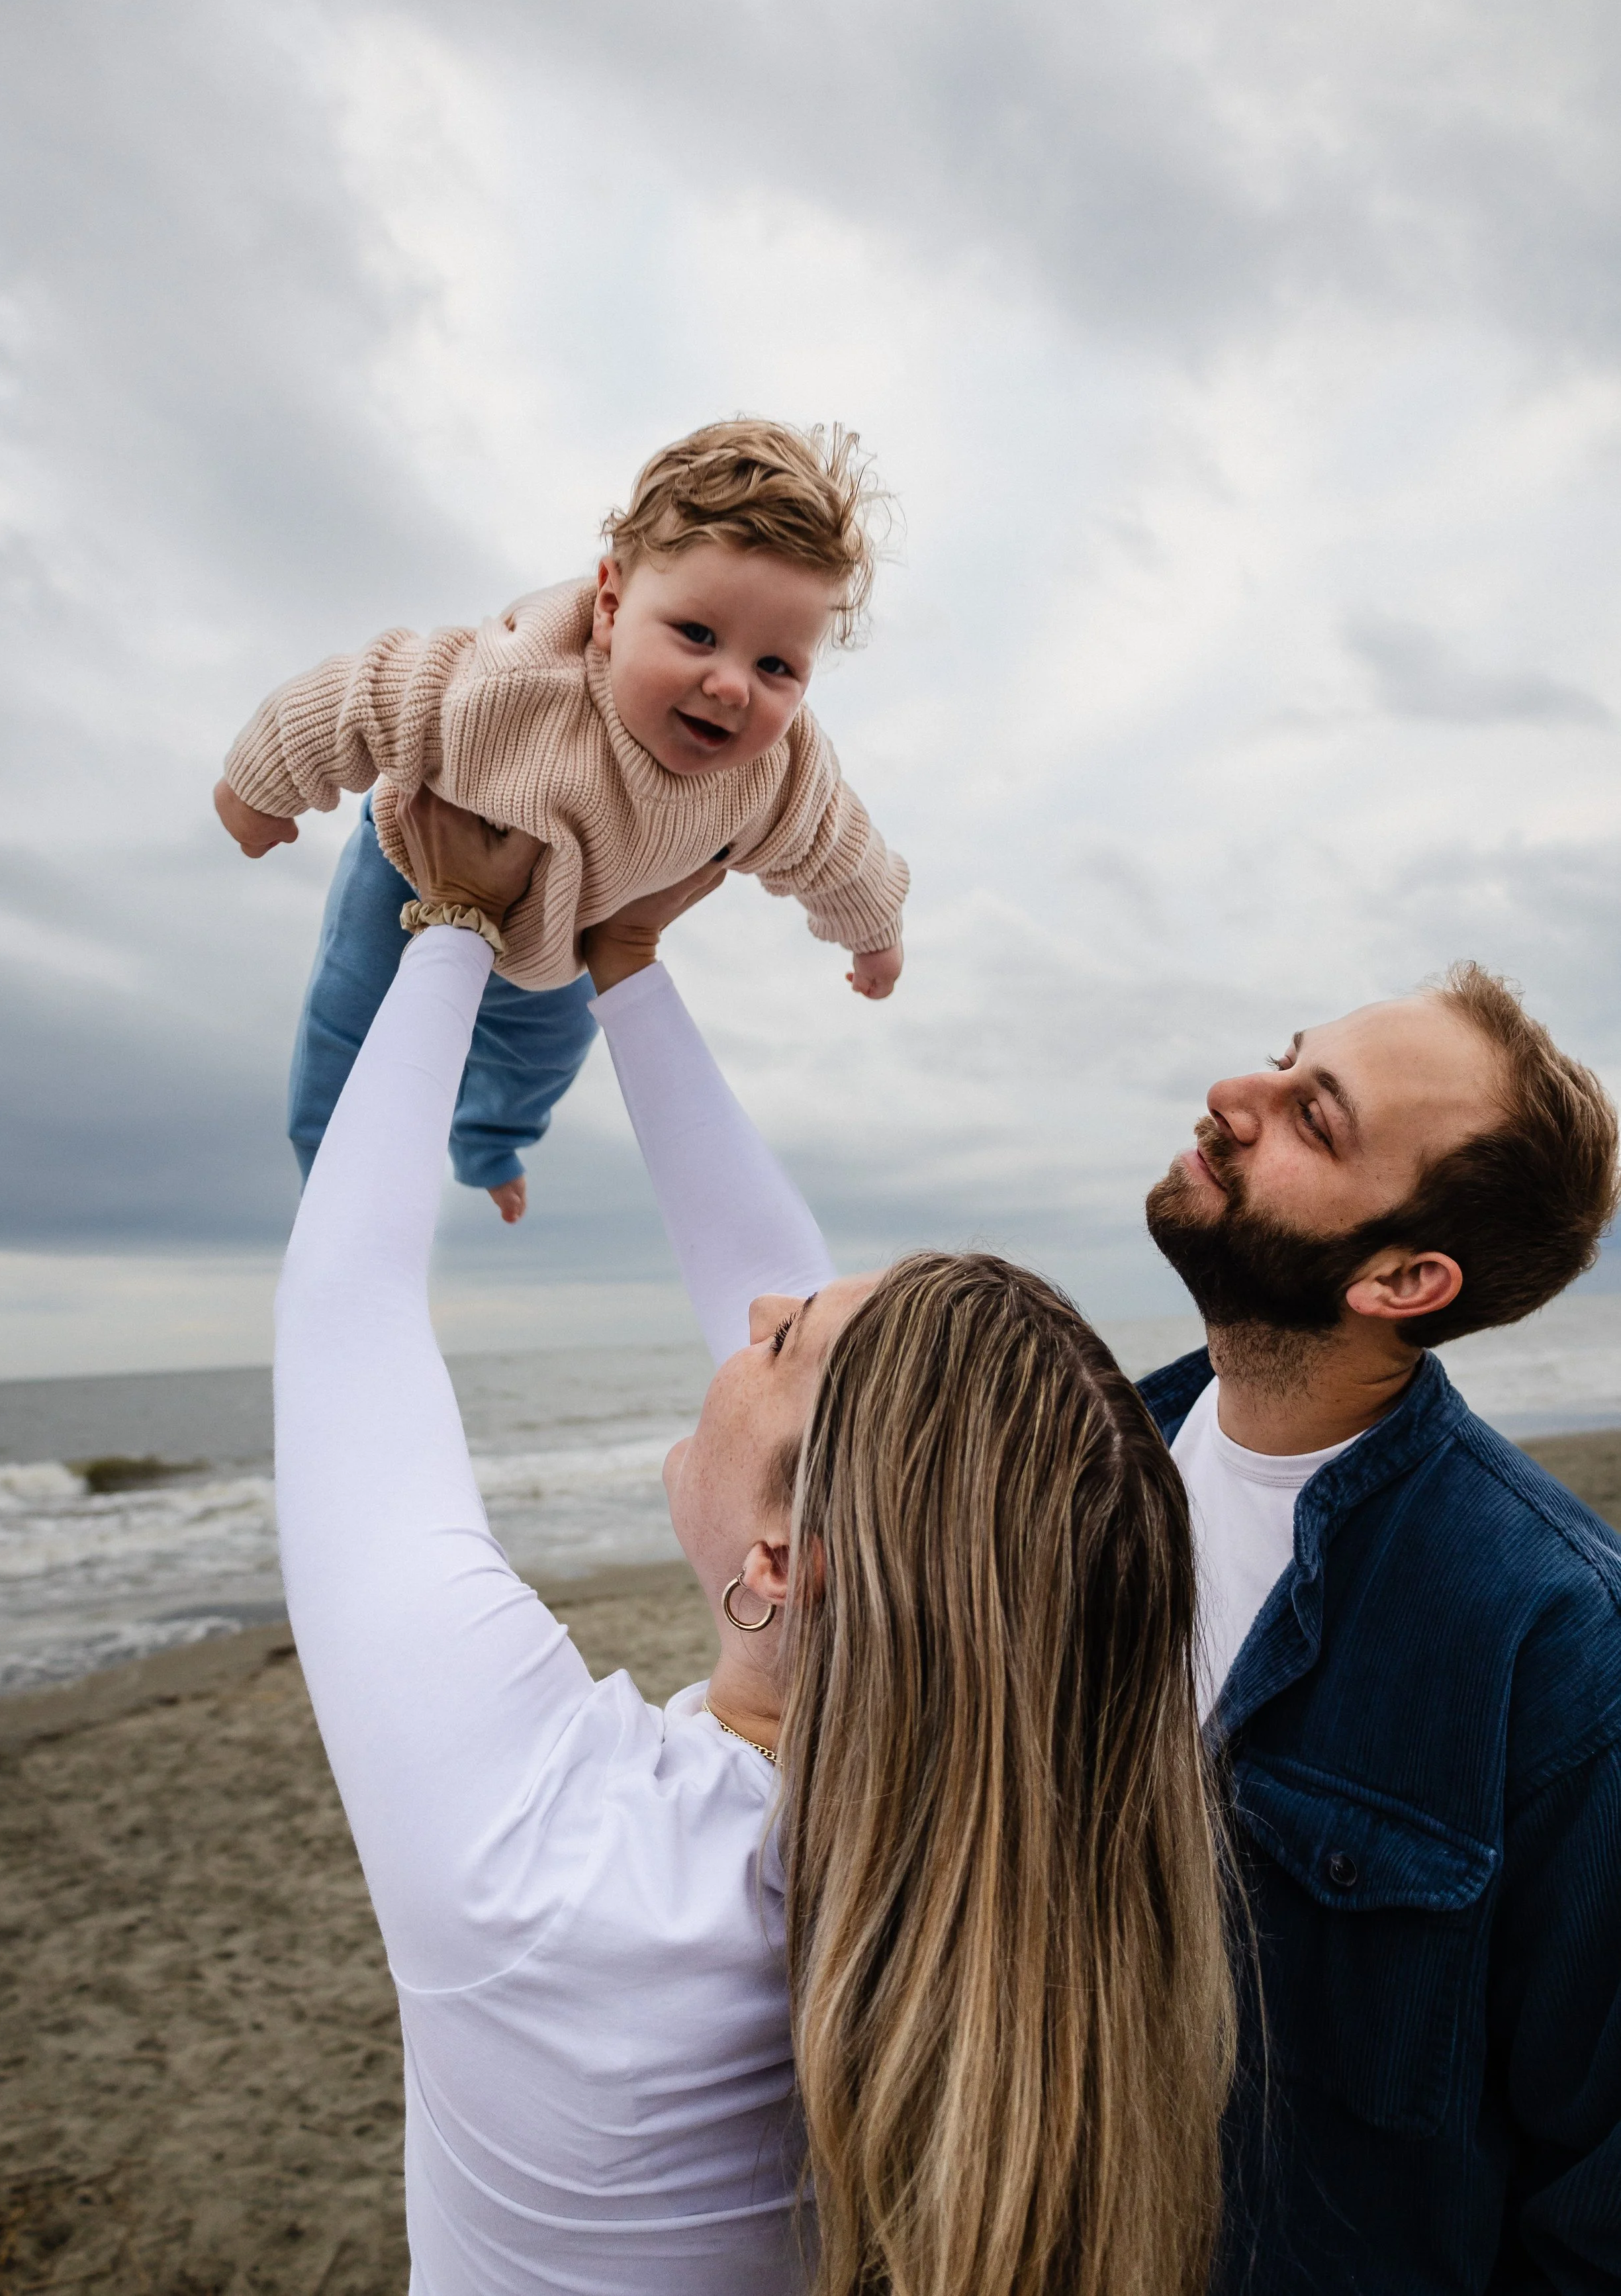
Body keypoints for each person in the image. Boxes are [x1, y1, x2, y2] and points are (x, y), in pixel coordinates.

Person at [272, 790, 1232, 2296]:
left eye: (774, 1338)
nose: (750, 1316)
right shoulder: (1057, 1841)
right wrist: (628, 961)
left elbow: (347, 1317)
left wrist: (454, 915)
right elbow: (865, 1426)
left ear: (785, 1559)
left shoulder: (558, 1871)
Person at [1138, 971, 1621, 2291]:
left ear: (1403, 1277)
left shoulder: (1555, 1643)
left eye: (1314, 1118)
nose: (1235, 1099)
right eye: (1280, 1060)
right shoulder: (1059, 1481)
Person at [217, 418, 909, 1217]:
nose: (731, 686)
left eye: (776, 666)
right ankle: (330, 1202)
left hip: (570, 931)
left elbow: (841, 849)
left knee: (542, 1057)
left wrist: (873, 933)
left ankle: (489, 1144)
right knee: (347, 1042)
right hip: (405, 881)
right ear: (611, 604)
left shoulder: (777, 775)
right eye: (697, 634)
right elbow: (360, 696)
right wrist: (257, 789)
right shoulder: (508, 684)